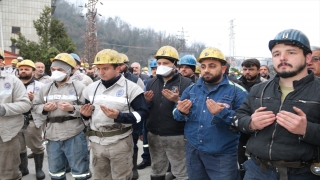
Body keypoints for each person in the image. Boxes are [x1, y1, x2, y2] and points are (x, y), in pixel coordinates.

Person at [234, 29, 320, 180]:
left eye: (291, 52)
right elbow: (237, 118)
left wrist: (307, 129)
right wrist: (250, 123)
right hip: (257, 171)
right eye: (276, 54)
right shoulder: (258, 90)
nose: (283, 58)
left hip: (303, 173)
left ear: (308, 58)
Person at [173, 47, 247, 179]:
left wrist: (223, 113)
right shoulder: (191, 89)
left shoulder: (238, 91)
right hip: (194, 152)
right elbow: (175, 113)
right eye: (203, 66)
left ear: (223, 69)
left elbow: (246, 122)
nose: (206, 70)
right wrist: (181, 111)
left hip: (222, 156)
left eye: (212, 66)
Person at [80, 49, 149, 180]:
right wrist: (85, 115)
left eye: (105, 68)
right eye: (98, 68)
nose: (101, 72)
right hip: (97, 142)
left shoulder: (132, 88)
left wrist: (120, 116)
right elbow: (87, 113)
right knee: (100, 177)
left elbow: (143, 113)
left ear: (118, 68)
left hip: (120, 141)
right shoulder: (90, 89)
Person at [33, 53, 90, 180]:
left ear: (69, 71)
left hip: (74, 132)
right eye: (53, 69)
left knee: (80, 171)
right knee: (55, 172)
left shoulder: (79, 87)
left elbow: (89, 109)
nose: (55, 72)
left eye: (60, 70)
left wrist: (72, 109)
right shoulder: (46, 88)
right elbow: (35, 105)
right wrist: (44, 108)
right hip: (52, 134)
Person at [145, 45, 191, 180]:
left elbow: (191, 109)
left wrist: (177, 100)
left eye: (165, 63)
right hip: (154, 134)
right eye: (159, 63)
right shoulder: (151, 82)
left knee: (181, 171)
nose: (161, 66)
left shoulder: (186, 83)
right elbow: (145, 109)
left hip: (176, 135)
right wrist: (146, 102)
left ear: (175, 65)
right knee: (157, 169)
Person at [0, 50, 32, 180]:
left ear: (1, 61)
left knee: (9, 173)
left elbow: (25, 104)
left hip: (7, 135)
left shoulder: (12, 81)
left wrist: (3, 109)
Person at [17, 60, 46, 179]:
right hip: (16, 119)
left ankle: (39, 169)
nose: (23, 71)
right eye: (21, 69)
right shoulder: (15, 84)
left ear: (33, 72)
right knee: (19, 146)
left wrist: (34, 98)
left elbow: (45, 103)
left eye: (26, 69)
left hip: (32, 120)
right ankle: (23, 169)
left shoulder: (41, 86)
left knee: (36, 145)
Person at [237, 58, 266, 179]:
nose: (247, 72)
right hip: (240, 127)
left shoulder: (265, 86)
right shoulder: (237, 84)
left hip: (259, 128)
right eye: (245, 69)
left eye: (251, 69)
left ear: (258, 70)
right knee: (240, 159)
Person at [118, 52, 145, 180]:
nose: (119, 66)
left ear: (126, 65)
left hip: (132, 120)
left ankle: (133, 167)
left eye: (121, 64)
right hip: (115, 121)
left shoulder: (136, 80)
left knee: (132, 145)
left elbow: (142, 104)